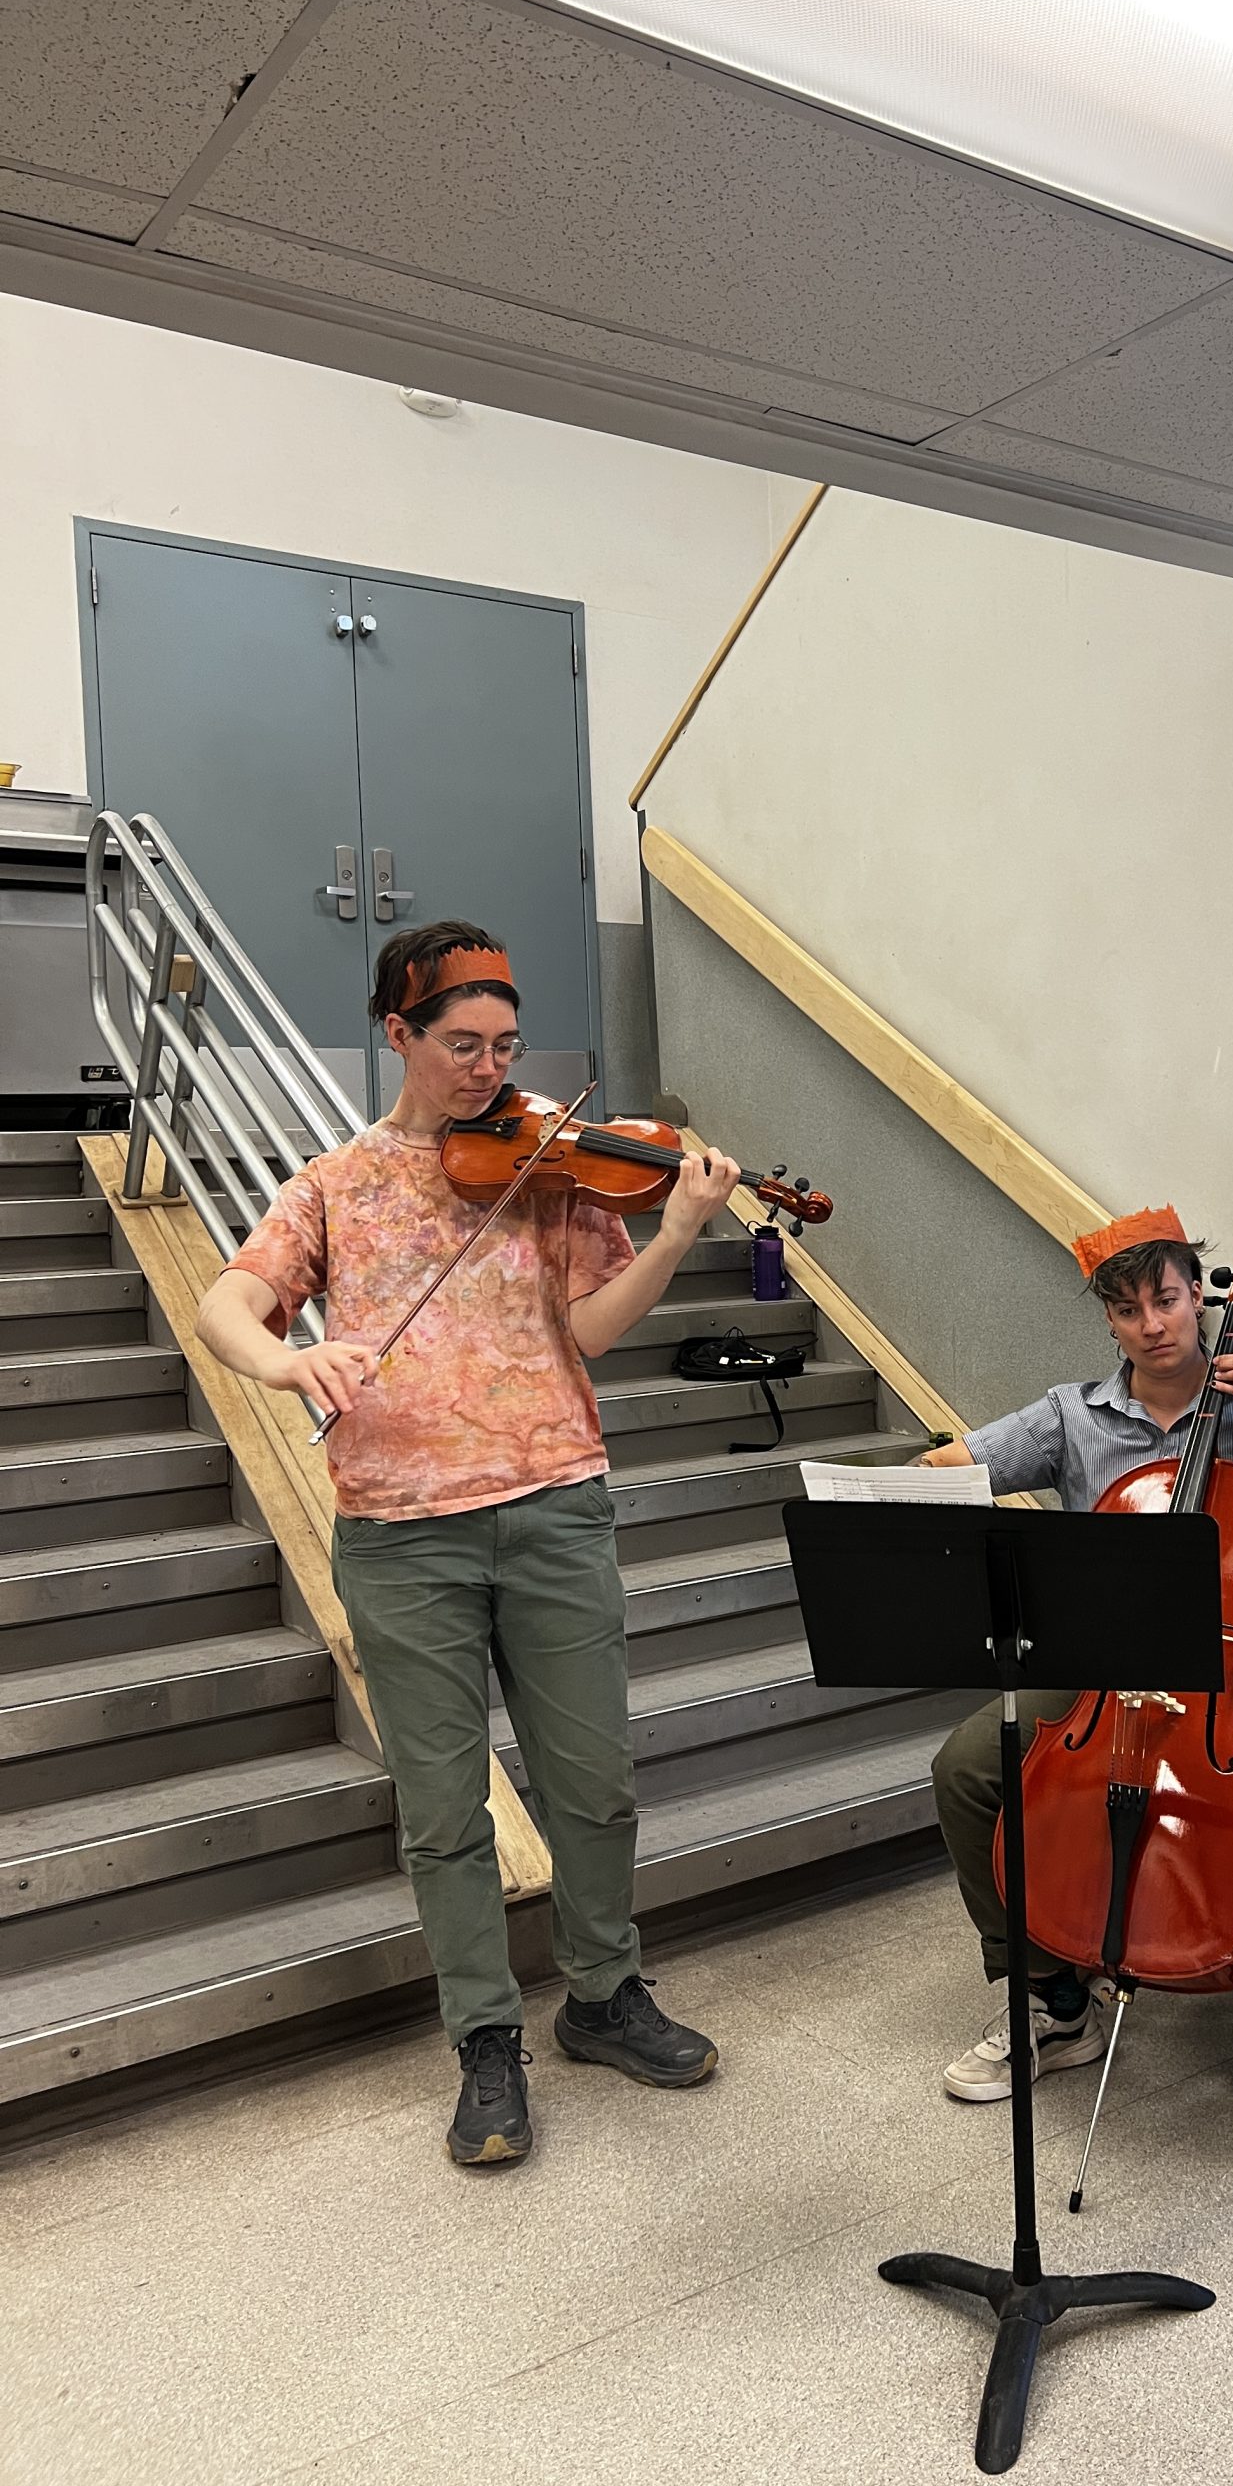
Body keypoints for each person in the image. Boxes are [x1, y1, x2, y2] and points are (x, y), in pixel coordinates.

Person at [196, 920, 739, 2170]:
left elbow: (594, 1331)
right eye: (459, 1045)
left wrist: (672, 1232)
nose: (489, 1069)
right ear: (397, 1033)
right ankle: (485, 2038)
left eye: (504, 1044)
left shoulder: (550, 1163)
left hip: (553, 1504)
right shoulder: (338, 1182)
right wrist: (291, 1356)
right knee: (443, 1813)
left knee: (594, 1783)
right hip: (399, 1536)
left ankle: (604, 1995)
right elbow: (232, 1300)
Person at [925, 1206, 1233, 2161]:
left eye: (1167, 1298)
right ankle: (1051, 1999)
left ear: (1201, 1295)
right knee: (966, 1768)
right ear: (1109, 1322)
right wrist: (912, 1485)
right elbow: (951, 1469)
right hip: (1102, 1666)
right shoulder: (1071, 1414)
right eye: (1128, 1309)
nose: (1153, 1324)